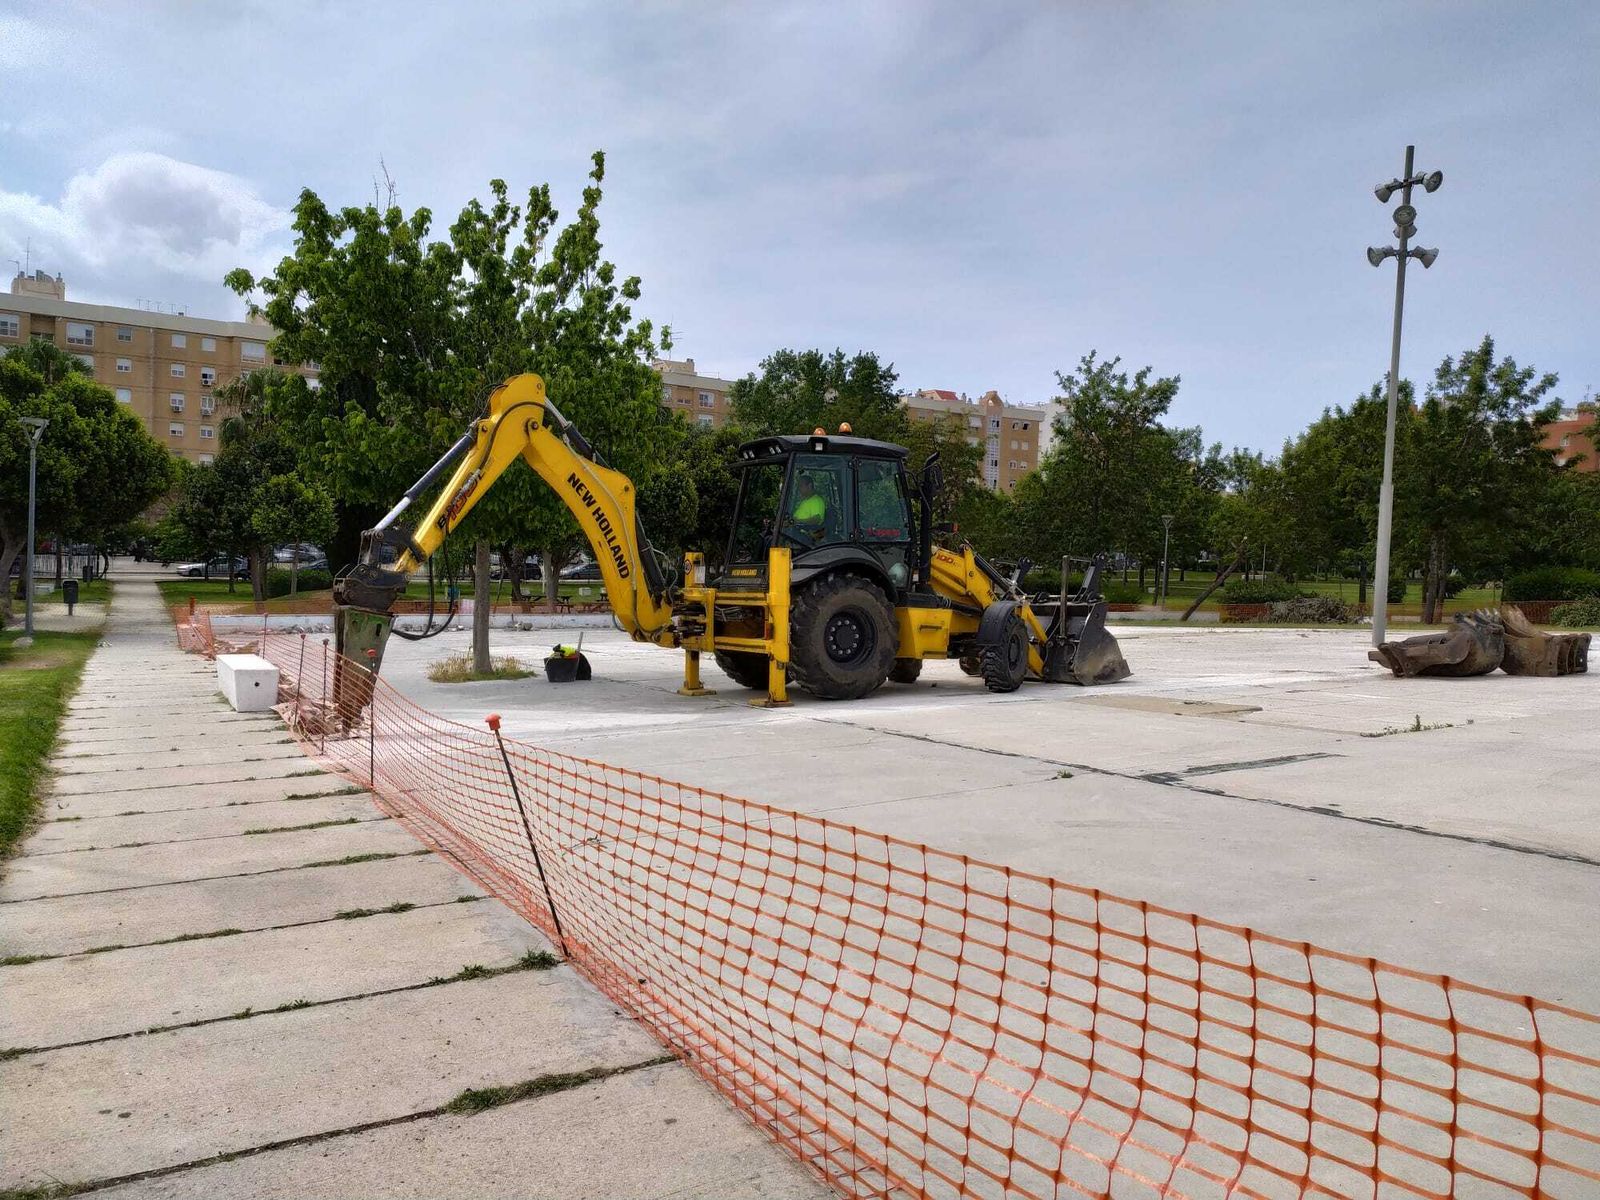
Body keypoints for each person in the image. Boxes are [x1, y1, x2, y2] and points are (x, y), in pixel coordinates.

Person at [790, 474, 827, 540]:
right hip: (795, 532)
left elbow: (816, 519)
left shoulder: (816, 501)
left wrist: (798, 521)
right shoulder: (805, 501)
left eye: (801, 486)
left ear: (809, 486)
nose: (799, 489)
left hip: (805, 537)